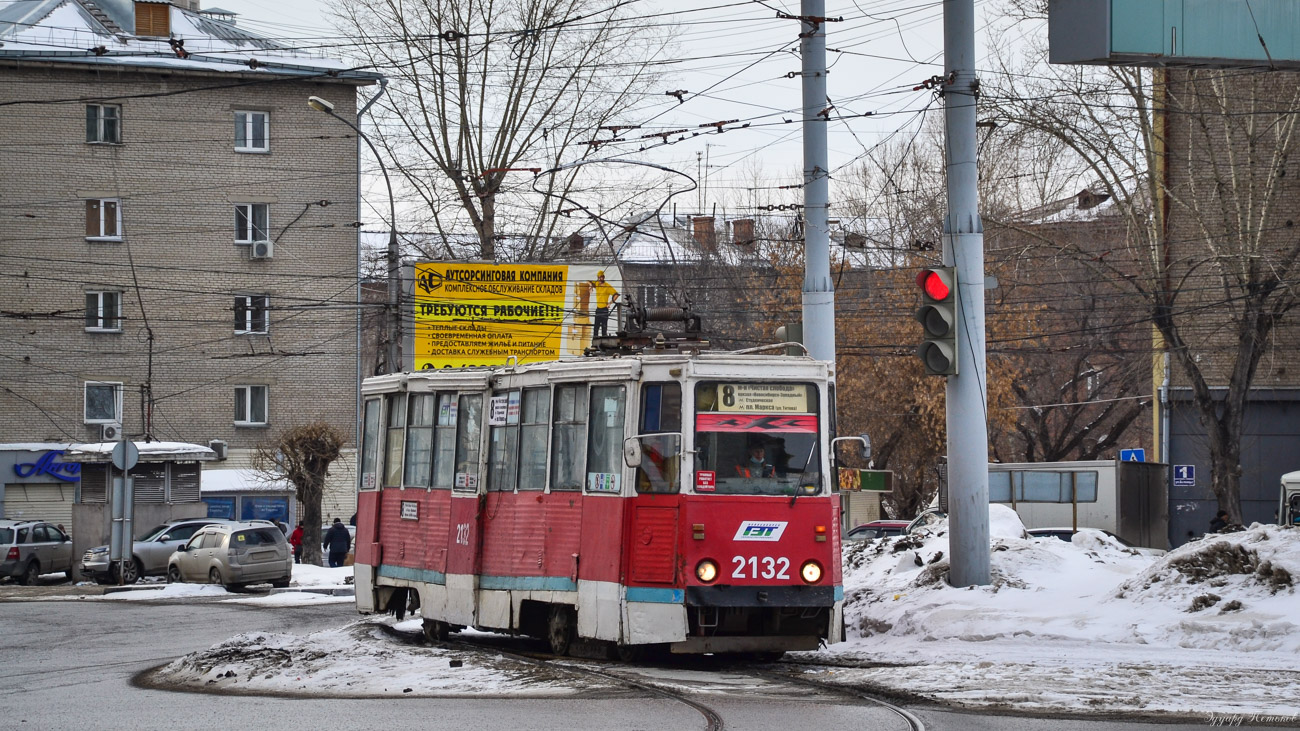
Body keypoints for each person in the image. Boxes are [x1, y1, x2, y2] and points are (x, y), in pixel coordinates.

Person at [588, 270, 619, 338]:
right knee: (596, 326)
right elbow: (589, 281)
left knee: (604, 327)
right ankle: (595, 341)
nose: (600, 279)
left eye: (601, 277)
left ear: (603, 277)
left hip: (604, 309)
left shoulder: (607, 286)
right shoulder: (597, 284)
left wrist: (610, 303)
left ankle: (604, 340)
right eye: (599, 277)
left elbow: (616, 294)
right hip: (598, 309)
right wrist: (591, 286)